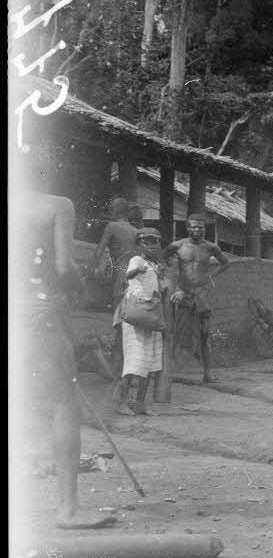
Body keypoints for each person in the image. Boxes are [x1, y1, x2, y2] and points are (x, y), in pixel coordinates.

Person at [18, 193, 117, 529]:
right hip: (35, 309)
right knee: (64, 402)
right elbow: (64, 268)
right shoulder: (55, 205)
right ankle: (68, 509)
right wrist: (79, 290)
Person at [163, 210, 230, 385]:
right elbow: (162, 259)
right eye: (193, 227)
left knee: (204, 335)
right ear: (187, 228)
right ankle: (167, 373)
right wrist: (173, 282)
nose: (197, 230)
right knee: (176, 333)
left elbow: (225, 263)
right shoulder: (177, 245)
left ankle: (207, 374)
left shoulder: (211, 247)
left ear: (204, 229)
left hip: (201, 294)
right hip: (183, 294)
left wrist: (210, 276)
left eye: (200, 227)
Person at [114, 226, 168, 417]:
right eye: (148, 242)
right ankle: (121, 402)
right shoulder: (136, 260)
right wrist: (138, 269)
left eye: (156, 242)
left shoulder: (155, 265)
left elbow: (161, 289)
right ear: (139, 245)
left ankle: (140, 403)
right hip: (136, 317)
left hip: (151, 316)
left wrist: (161, 277)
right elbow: (128, 275)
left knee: (149, 362)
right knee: (134, 361)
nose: (153, 245)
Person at [91, 197, 143, 313]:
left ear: (115, 211)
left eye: (111, 209)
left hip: (120, 270)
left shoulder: (112, 226)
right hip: (135, 272)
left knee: (118, 306)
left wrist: (91, 268)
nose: (109, 212)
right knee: (130, 309)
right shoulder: (136, 231)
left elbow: (100, 249)